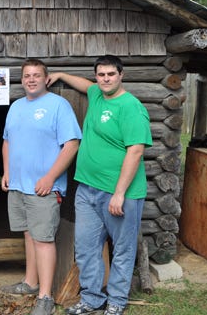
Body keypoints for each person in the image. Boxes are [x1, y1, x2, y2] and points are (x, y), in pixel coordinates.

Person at [48, 55, 152, 315]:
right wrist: (60, 75)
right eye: (101, 74)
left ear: (121, 75)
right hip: (87, 190)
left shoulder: (131, 107)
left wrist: (119, 193)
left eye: (111, 74)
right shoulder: (96, 94)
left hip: (119, 194)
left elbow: (136, 151)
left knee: (123, 250)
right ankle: (92, 298)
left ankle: (116, 301)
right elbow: (84, 85)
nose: (105, 79)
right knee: (85, 248)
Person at [1, 59, 82, 315]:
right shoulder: (15, 107)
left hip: (43, 188)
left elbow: (71, 144)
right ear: (22, 80)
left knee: (44, 239)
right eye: (27, 76)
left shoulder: (58, 105)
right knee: (28, 234)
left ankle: (45, 297)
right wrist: (6, 172)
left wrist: (50, 177)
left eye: (37, 75)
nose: (31, 79)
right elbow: (7, 142)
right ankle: (30, 283)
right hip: (18, 186)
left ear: (46, 79)